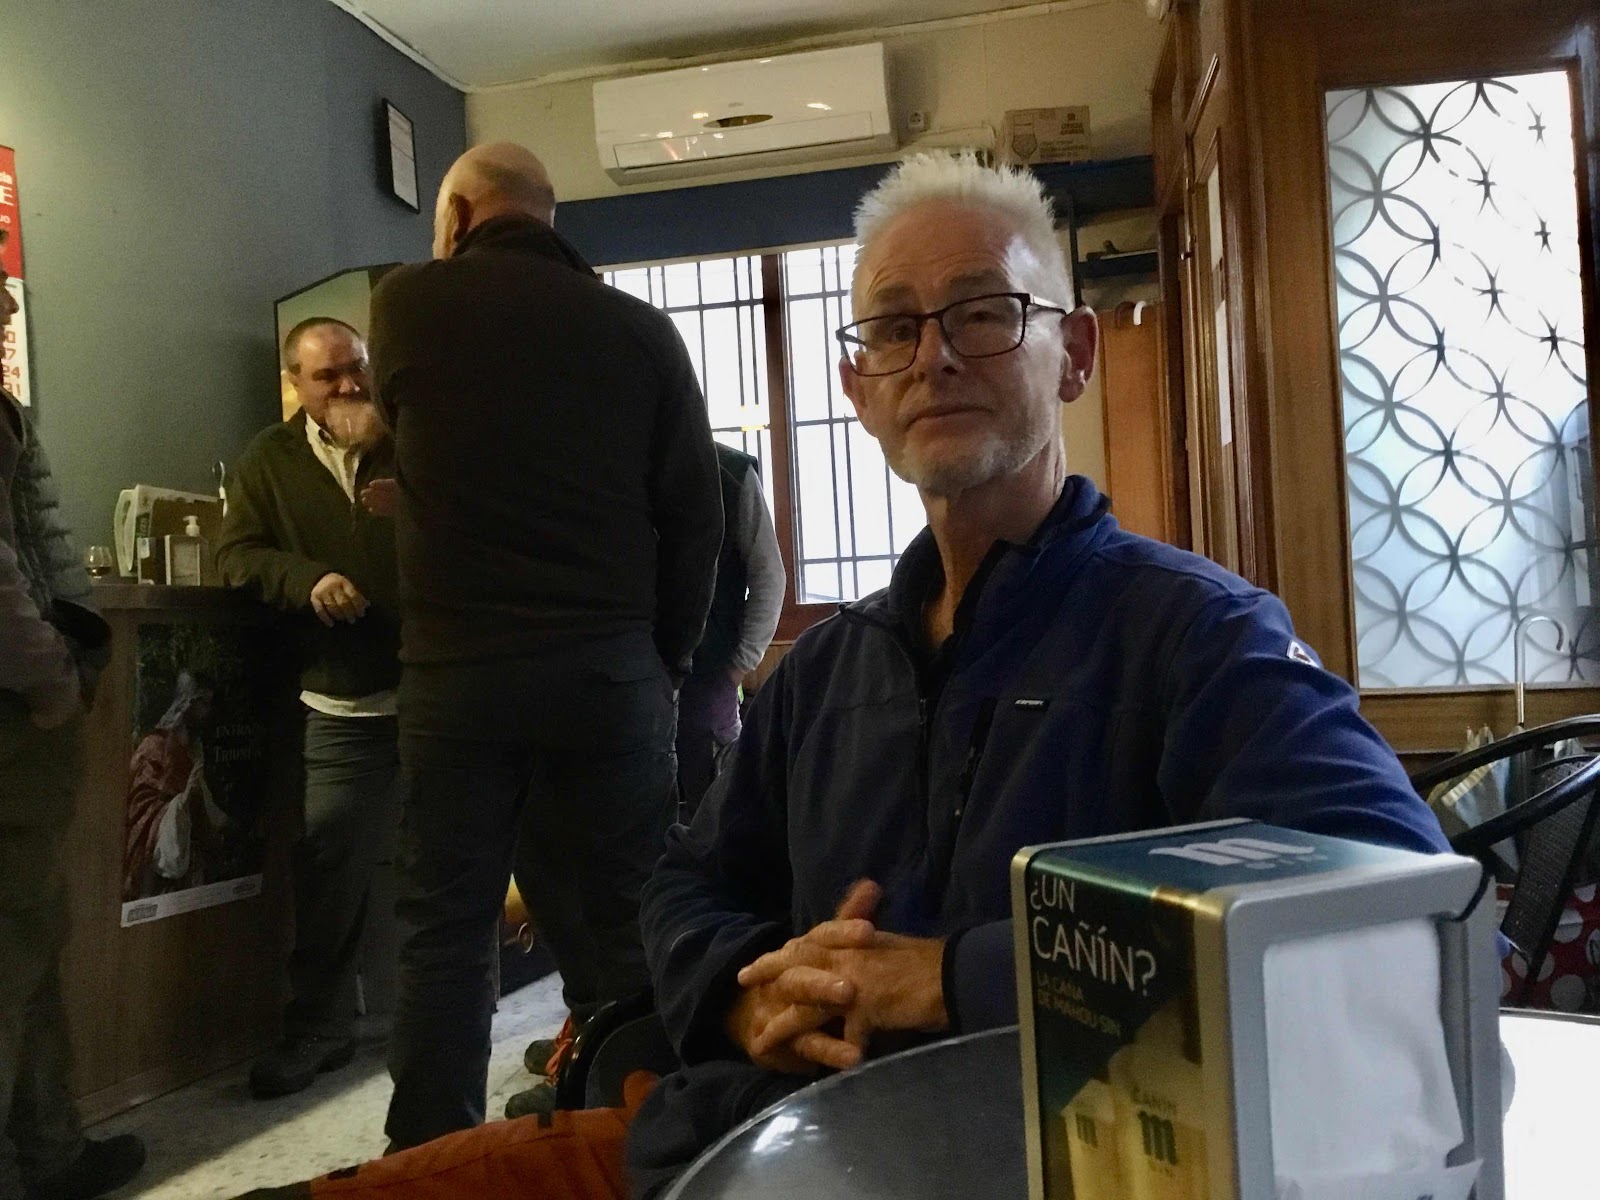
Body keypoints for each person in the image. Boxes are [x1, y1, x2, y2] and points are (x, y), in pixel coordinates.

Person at [237, 151, 1450, 1200]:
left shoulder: (1195, 638)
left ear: (1073, 353)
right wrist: (744, 995)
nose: (935, 357)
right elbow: (685, 886)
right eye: (892, 327)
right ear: (856, 385)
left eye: (984, 313)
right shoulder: (827, 672)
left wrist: (956, 978)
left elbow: (1402, 920)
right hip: (752, 1144)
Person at [368, 142, 722, 1151]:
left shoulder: (407, 303)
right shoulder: (641, 330)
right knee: (625, 923)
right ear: (547, 216)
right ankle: (633, 1138)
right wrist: (660, 661)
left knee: (446, 931)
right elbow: (696, 518)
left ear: (458, 216)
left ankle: (432, 1157)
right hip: (607, 673)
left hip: (457, 675)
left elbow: (403, 438)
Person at [504, 442, 782, 1119]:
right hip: (599, 700)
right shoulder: (582, 459)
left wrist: (733, 664)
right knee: (583, 880)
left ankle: (656, 1049)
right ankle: (600, 1029)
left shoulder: (728, 471)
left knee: (680, 878)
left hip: (693, 695)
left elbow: (766, 576)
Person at [215, 318, 403, 1099]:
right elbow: (236, 553)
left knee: (451, 866)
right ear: (295, 384)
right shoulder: (270, 458)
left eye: (357, 367)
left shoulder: (414, 440)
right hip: (340, 699)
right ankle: (321, 1028)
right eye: (328, 375)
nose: (350, 384)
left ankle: (442, 1024)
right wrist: (307, 579)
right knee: (329, 866)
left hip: (437, 691)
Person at [0, 227, 146, 1199]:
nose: (9, 303)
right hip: (14, 720)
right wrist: (56, 679)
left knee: (29, 938)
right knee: (15, 946)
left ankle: (52, 1152)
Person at [122, 670, 222, 899]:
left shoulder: (194, 749)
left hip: (189, 862)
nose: (207, 711)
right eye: (203, 703)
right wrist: (180, 804)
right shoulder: (153, 748)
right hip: (157, 866)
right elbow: (142, 807)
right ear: (188, 703)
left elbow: (201, 803)